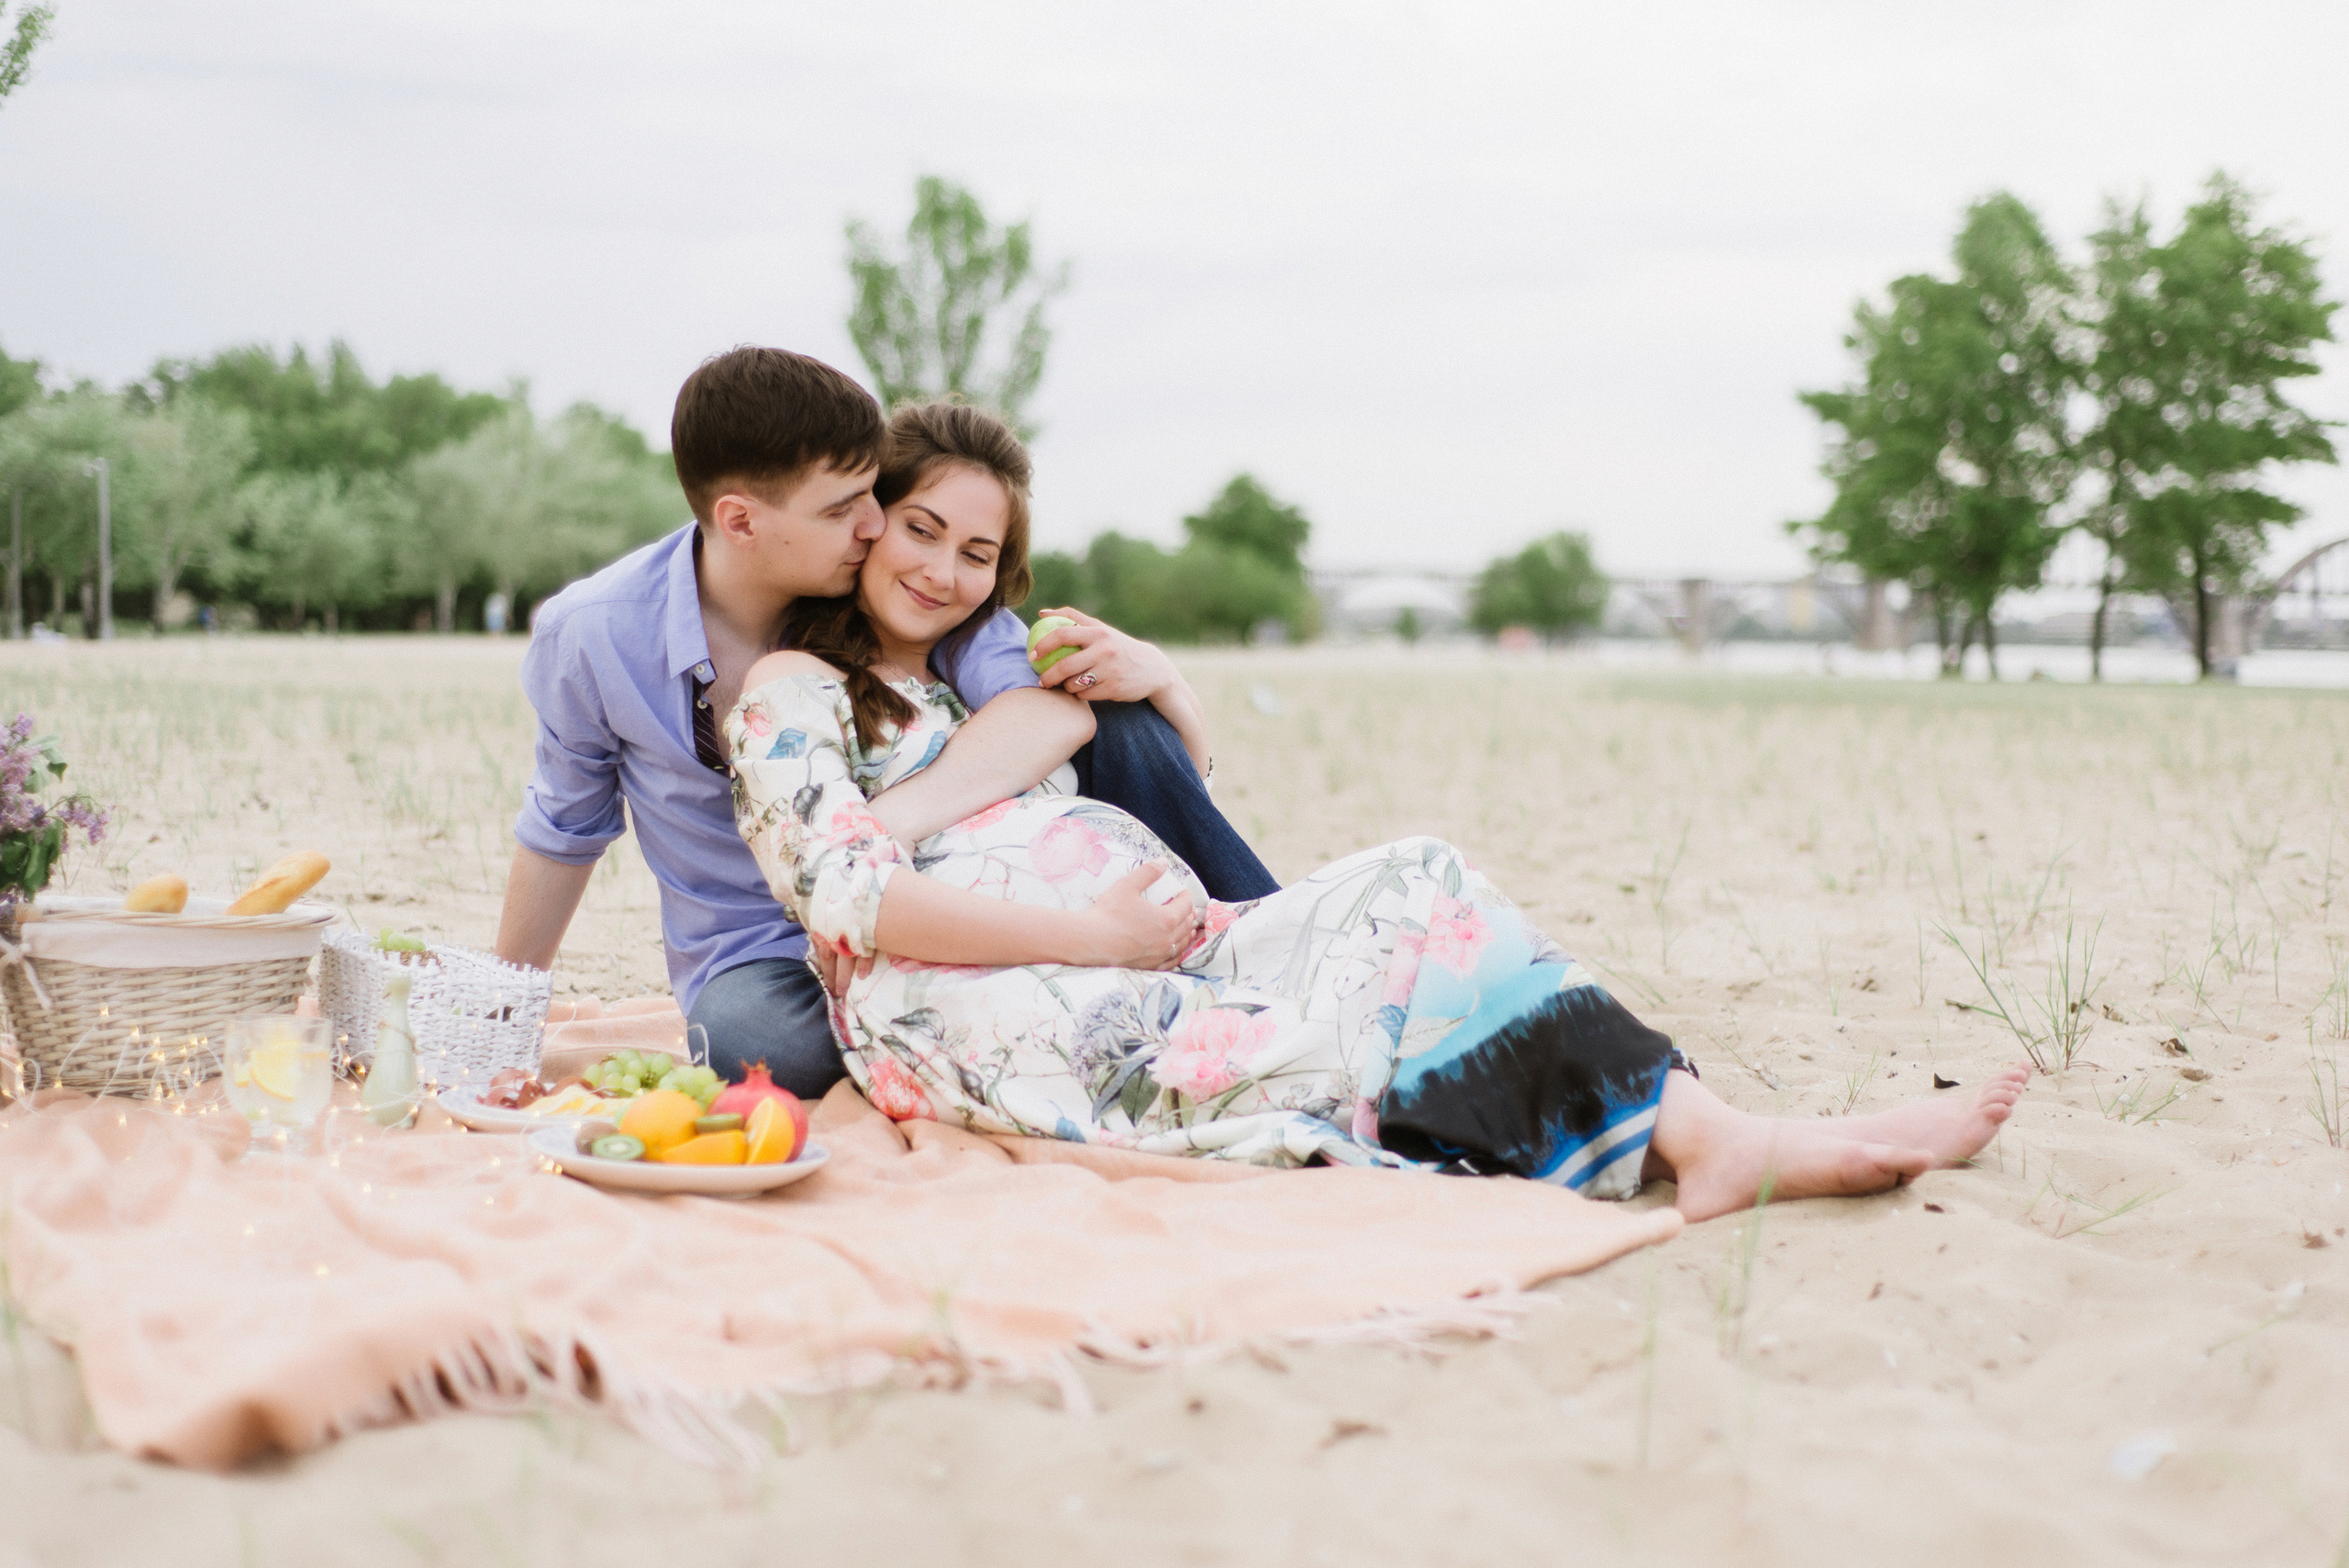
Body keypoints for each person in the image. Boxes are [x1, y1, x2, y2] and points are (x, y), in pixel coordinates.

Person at [727, 401, 2029, 1218]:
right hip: (977, 995)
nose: (943, 569)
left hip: (1140, 947)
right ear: (864, 527)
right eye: (919, 528)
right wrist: (1097, 941)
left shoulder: (979, 684)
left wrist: (1153, 710)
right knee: (1340, 1040)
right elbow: (847, 899)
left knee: (1419, 878)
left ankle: (1722, 1135)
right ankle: (1713, 1142)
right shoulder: (794, 686)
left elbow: (1134, 753)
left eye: (977, 551)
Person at [495, 347, 1275, 1095]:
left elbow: (1049, 713)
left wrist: (876, 830)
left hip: (930, 898)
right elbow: (563, 831)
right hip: (768, 952)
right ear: (740, 521)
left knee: (1126, 721)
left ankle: (1263, 939)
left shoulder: (892, 591)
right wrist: (503, 1023)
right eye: (845, 508)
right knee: (757, 1044)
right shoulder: (596, 635)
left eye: (874, 496)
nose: (874, 523)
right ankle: (1062, 1003)